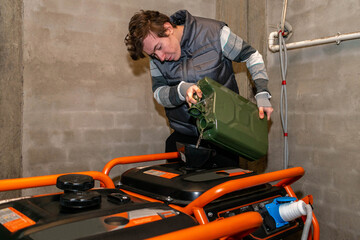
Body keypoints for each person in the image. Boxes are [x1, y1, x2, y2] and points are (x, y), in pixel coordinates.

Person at [125, 10, 273, 167]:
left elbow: (251, 56)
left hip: (222, 136)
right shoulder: (157, 58)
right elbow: (159, 93)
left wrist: (262, 91)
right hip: (184, 137)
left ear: (168, 28)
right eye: (153, 54)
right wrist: (181, 90)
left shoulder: (215, 33)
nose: (160, 58)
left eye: (159, 47)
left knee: (223, 190)